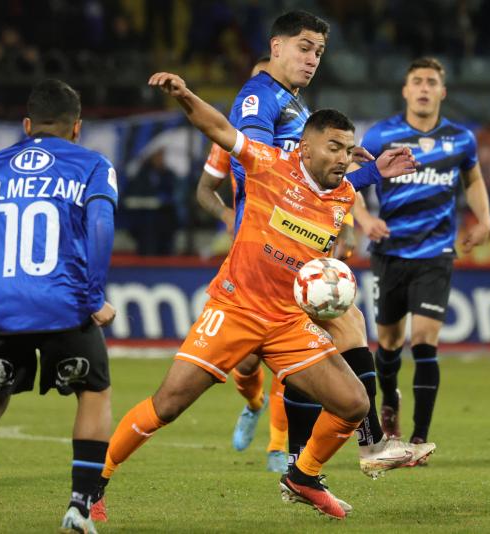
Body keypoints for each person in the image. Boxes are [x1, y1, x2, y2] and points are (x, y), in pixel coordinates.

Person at [98, 70, 419, 520]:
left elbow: (337, 187)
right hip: (236, 310)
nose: (343, 159)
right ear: (304, 147)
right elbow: (219, 129)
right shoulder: (266, 164)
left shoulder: (344, 193)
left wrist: (374, 171)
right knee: (168, 404)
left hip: (288, 321)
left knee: (353, 404)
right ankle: (95, 483)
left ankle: (303, 475)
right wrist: (186, 95)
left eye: (349, 150)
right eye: (334, 148)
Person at [195, 9, 431, 481]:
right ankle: (334, 451)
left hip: (294, 242)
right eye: (305, 48)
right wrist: (328, 159)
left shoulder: (295, 105)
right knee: (310, 343)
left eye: (319, 52)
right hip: (270, 245)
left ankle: (312, 460)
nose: (312, 60)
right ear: (276, 47)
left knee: (331, 336)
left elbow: (313, 178)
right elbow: (256, 164)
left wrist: (357, 165)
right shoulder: (258, 98)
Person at [0, 79, 118, 534]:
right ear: (77, 128)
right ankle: (78, 508)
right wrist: (94, 298)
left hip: (2, 307)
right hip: (65, 305)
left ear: (27, 125)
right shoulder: (93, 164)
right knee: (93, 394)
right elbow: (102, 228)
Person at [355, 57, 490, 451]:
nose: (424, 88)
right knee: (389, 344)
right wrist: (364, 219)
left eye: (432, 82)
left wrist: (484, 219)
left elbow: (474, 177)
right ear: (405, 90)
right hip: (389, 252)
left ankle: (419, 438)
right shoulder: (381, 135)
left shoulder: (461, 139)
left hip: (436, 253)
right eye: (417, 81)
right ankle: (390, 399)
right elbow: (351, 183)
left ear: (442, 91)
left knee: (425, 341)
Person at [196, 55, 291, 473]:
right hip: (249, 253)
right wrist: (225, 217)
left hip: (293, 254)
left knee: (290, 358)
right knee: (248, 361)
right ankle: (253, 404)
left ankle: (278, 446)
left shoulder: (298, 133)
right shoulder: (230, 139)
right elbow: (204, 189)